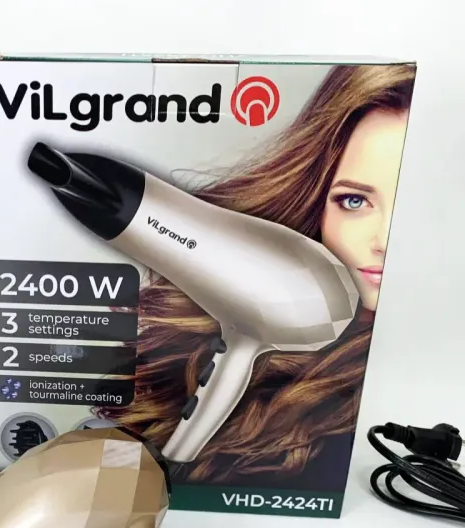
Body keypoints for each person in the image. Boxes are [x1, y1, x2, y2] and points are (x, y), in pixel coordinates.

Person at [96, 64, 416, 488]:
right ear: (316, 198)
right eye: (354, 201)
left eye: (407, 201)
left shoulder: (340, 427)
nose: (385, 241)